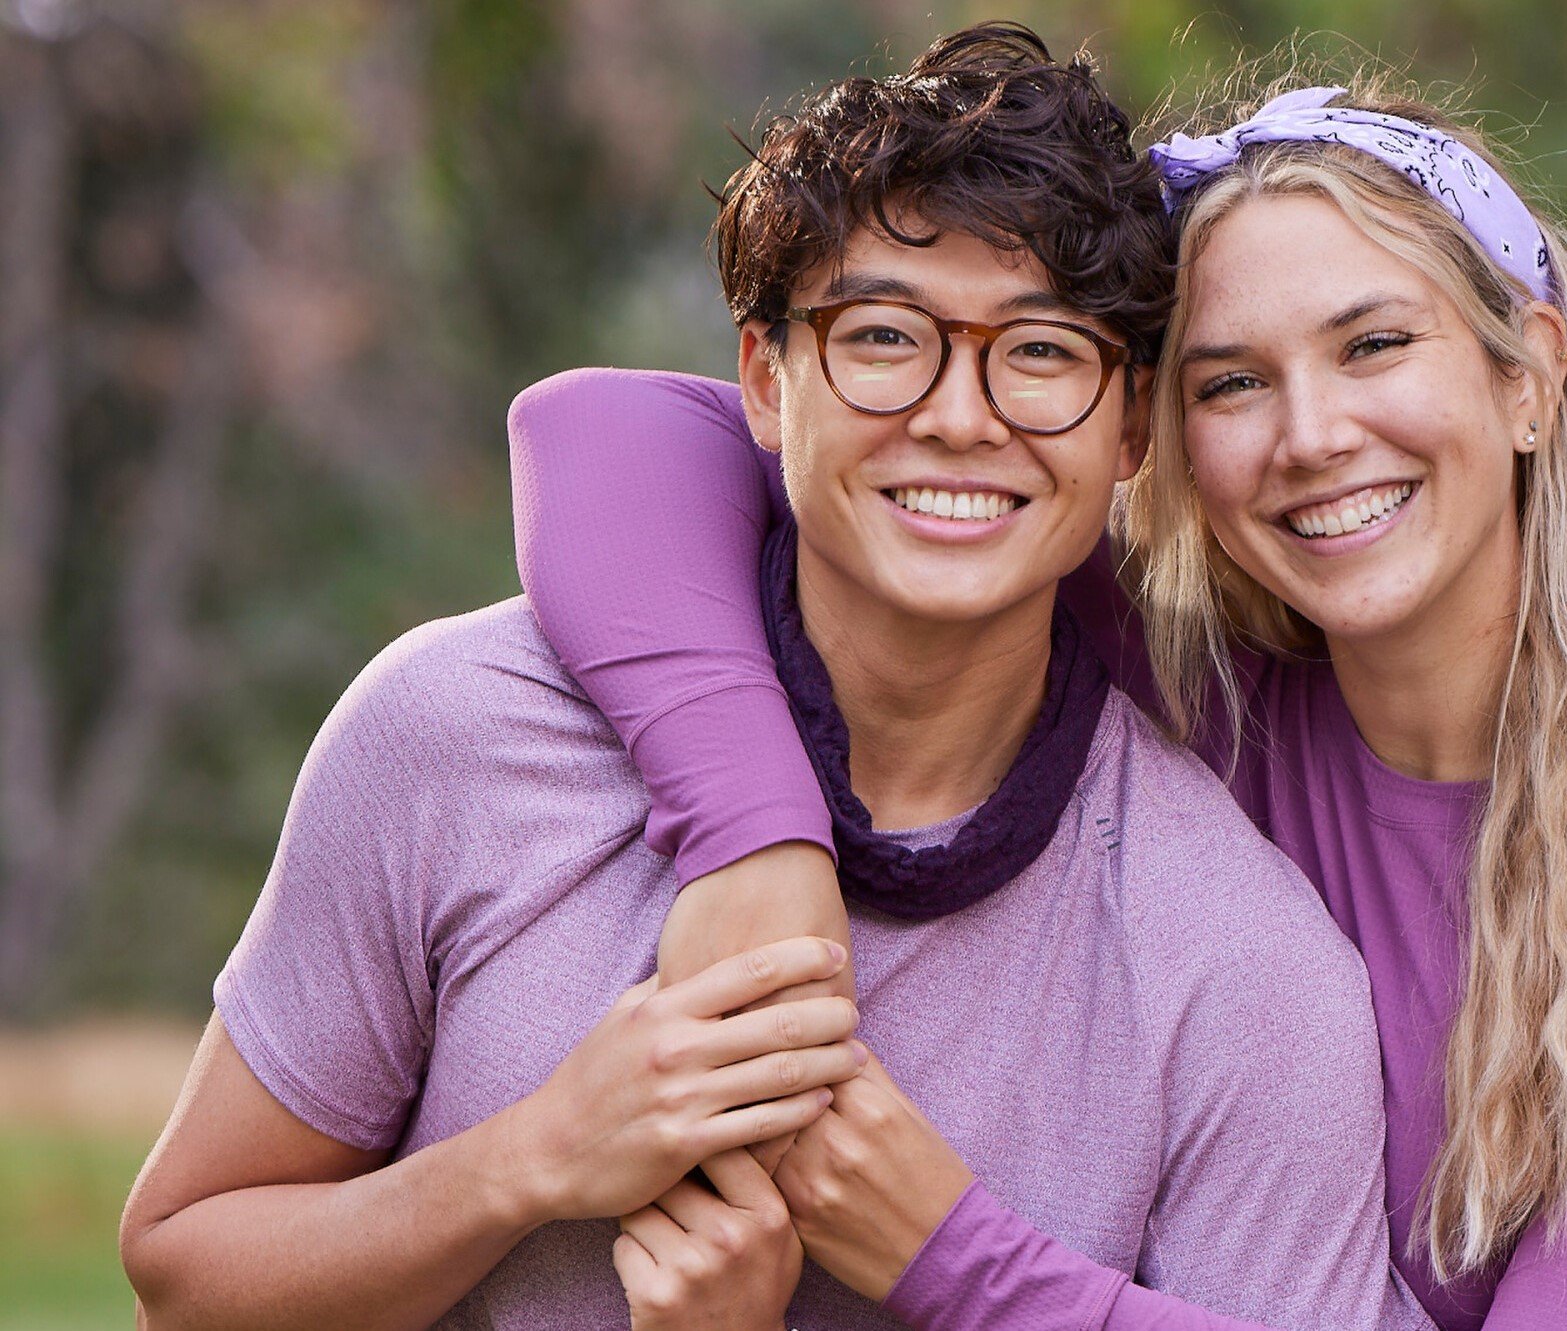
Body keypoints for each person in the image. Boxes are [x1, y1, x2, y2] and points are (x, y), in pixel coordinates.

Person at [507, 52, 1567, 1331]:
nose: (1312, 437)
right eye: (1234, 382)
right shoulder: (1181, 674)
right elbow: (605, 434)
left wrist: (955, 1260)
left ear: (1529, 376)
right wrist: (758, 844)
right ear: (1157, 435)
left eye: (1374, 346)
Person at [120, 24, 1427, 1331]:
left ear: (1131, 425)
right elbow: (185, 1277)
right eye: (880, 337)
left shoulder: (1243, 972)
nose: (961, 417)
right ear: (763, 376)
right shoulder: (453, 733)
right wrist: (529, 1161)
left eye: (1040, 352)